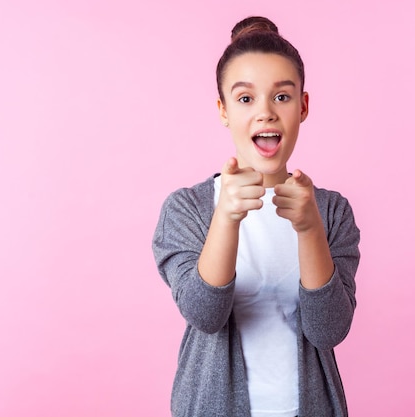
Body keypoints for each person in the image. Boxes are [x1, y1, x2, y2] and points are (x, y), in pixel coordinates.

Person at [152, 16, 361, 417]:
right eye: (246, 99)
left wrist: (310, 226)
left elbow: (329, 329)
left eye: (281, 97)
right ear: (224, 110)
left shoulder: (332, 211)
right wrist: (226, 219)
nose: (265, 113)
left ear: (302, 106)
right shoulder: (186, 210)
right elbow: (204, 315)